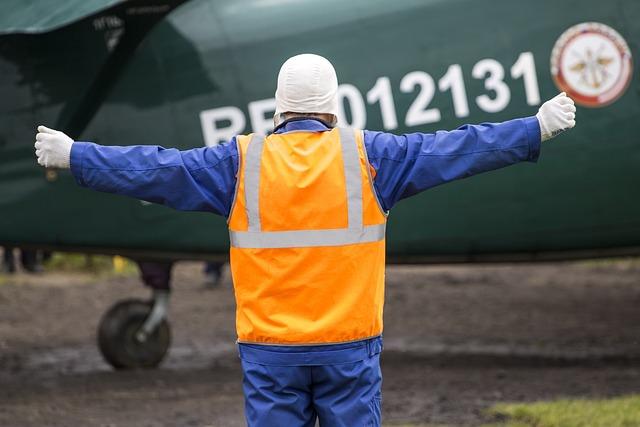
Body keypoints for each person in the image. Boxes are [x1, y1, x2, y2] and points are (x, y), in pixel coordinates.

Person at [33, 53, 576, 426]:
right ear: (332, 105)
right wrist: (534, 127)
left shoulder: (239, 162)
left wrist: (76, 154)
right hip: (349, 350)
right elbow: (458, 148)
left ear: (278, 105)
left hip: (271, 354)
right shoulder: (372, 157)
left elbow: (155, 169)